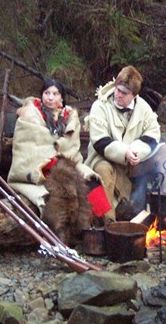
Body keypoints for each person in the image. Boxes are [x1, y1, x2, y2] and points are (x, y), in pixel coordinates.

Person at [7, 78, 112, 227]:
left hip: (66, 161)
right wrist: (53, 159)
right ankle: (73, 230)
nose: (50, 97)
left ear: (61, 98)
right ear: (41, 95)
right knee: (66, 185)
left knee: (91, 180)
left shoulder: (68, 117)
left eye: (55, 94)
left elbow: (72, 147)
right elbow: (28, 146)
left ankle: (105, 223)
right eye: (47, 93)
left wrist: (62, 155)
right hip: (37, 167)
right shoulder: (30, 115)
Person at [84, 65, 166, 223]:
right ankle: (108, 223)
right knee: (102, 169)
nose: (118, 95)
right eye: (117, 89)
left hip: (135, 160)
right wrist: (125, 153)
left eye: (124, 93)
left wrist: (136, 151)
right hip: (107, 160)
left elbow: (153, 133)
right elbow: (100, 140)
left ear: (134, 95)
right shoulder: (100, 105)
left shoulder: (143, 108)